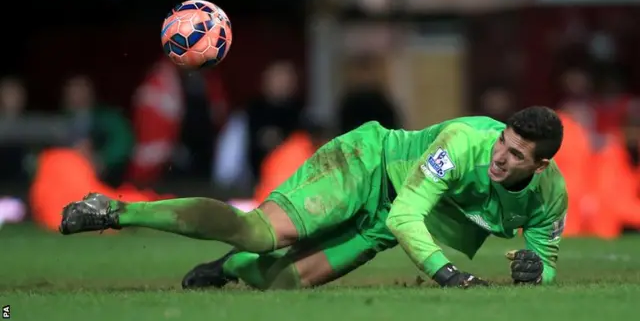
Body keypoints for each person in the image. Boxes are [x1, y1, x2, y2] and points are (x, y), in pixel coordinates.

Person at [59, 106, 567, 289]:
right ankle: (116, 209)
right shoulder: (463, 142)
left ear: (540, 166)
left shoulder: (551, 195)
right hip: (367, 166)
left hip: (380, 225)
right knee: (261, 233)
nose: (501, 157)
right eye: (503, 141)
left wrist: (535, 272)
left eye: (518, 155)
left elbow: (545, 259)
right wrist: (449, 275)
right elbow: (408, 214)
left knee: (278, 283)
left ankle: (228, 268)